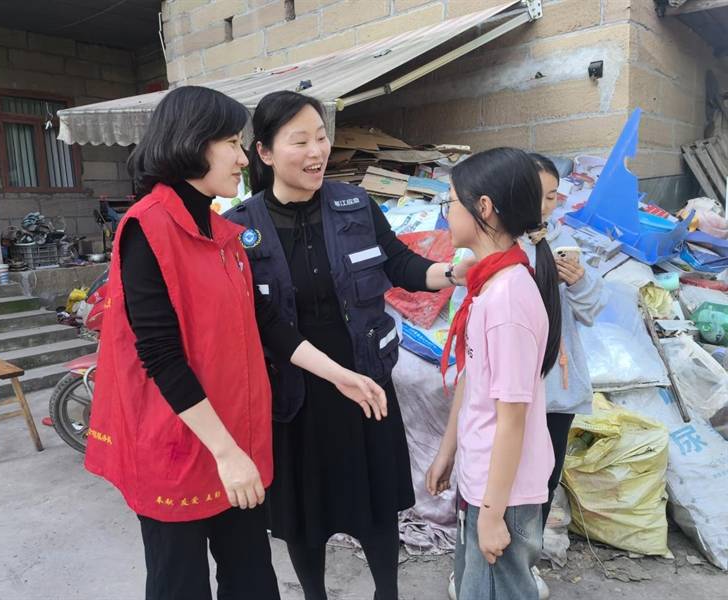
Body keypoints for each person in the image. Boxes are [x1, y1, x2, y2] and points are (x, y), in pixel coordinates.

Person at [84, 86, 387, 600]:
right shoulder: (147, 229)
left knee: (252, 581)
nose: (243, 158)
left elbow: (265, 321)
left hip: (234, 440)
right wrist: (226, 453)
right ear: (191, 142)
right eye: (231, 143)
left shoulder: (223, 233)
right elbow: (160, 355)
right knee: (180, 585)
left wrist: (340, 375)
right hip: (182, 444)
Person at [224, 90, 469, 600]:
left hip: (365, 386)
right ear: (264, 152)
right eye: (300, 141)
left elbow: (400, 264)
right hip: (293, 396)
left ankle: (386, 594)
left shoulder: (354, 205)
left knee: (376, 508)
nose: (317, 151)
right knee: (304, 517)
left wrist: (452, 272)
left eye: (321, 138)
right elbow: (253, 323)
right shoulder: (241, 227)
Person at [425, 147, 562, 600]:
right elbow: (474, 380)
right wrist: (449, 452)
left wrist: (490, 514)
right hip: (485, 481)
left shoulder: (506, 299)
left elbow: (512, 419)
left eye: (450, 201)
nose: (446, 213)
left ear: (483, 207)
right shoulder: (489, 286)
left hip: (502, 494)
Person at [521, 154, 606, 598]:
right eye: (537, 196)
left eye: (552, 197)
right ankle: (485, 558)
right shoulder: (498, 243)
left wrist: (578, 282)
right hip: (514, 384)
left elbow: (590, 312)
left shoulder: (564, 242)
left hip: (557, 385)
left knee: (544, 477)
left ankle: (525, 562)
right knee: (502, 476)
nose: (544, 206)